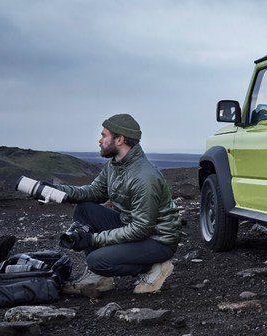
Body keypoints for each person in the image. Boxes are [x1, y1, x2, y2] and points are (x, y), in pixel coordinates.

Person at [52, 114, 181, 294]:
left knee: (97, 261)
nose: (99, 140)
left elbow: (142, 228)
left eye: (104, 135)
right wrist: (55, 192)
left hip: (157, 240)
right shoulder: (115, 165)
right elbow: (94, 192)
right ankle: (99, 279)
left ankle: (153, 267)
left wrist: (93, 239)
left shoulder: (144, 177)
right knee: (84, 209)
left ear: (119, 139)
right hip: (133, 226)